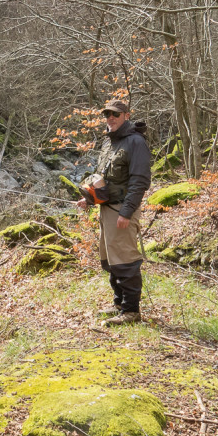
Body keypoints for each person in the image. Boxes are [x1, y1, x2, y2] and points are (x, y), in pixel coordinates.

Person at [76, 100, 151, 325]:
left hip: (122, 211)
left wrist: (126, 213)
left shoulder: (136, 142)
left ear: (126, 116)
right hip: (106, 209)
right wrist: (89, 199)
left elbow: (140, 181)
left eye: (116, 114)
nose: (111, 118)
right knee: (110, 260)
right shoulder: (109, 143)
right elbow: (104, 180)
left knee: (125, 260)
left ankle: (131, 311)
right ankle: (119, 303)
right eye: (108, 114)